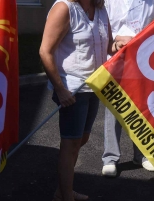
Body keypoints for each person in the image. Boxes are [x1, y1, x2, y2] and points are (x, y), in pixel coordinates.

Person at [39, 0, 125, 200]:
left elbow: (108, 44)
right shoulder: (64, 8)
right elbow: (45, 51)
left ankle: (63, 190)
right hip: (71, 89)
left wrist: (117, 45)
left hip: (94, 86)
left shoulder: (101, 9)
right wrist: (60, 89)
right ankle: (65, 196)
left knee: (82, 139)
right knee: (70, 144)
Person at [102, 0, 154, 177]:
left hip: (144, 57)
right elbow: (103, 27)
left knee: (143, 105)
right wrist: (118, 40)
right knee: (115, 107)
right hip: (116, 56)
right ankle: (110, 158)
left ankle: (142, 154)